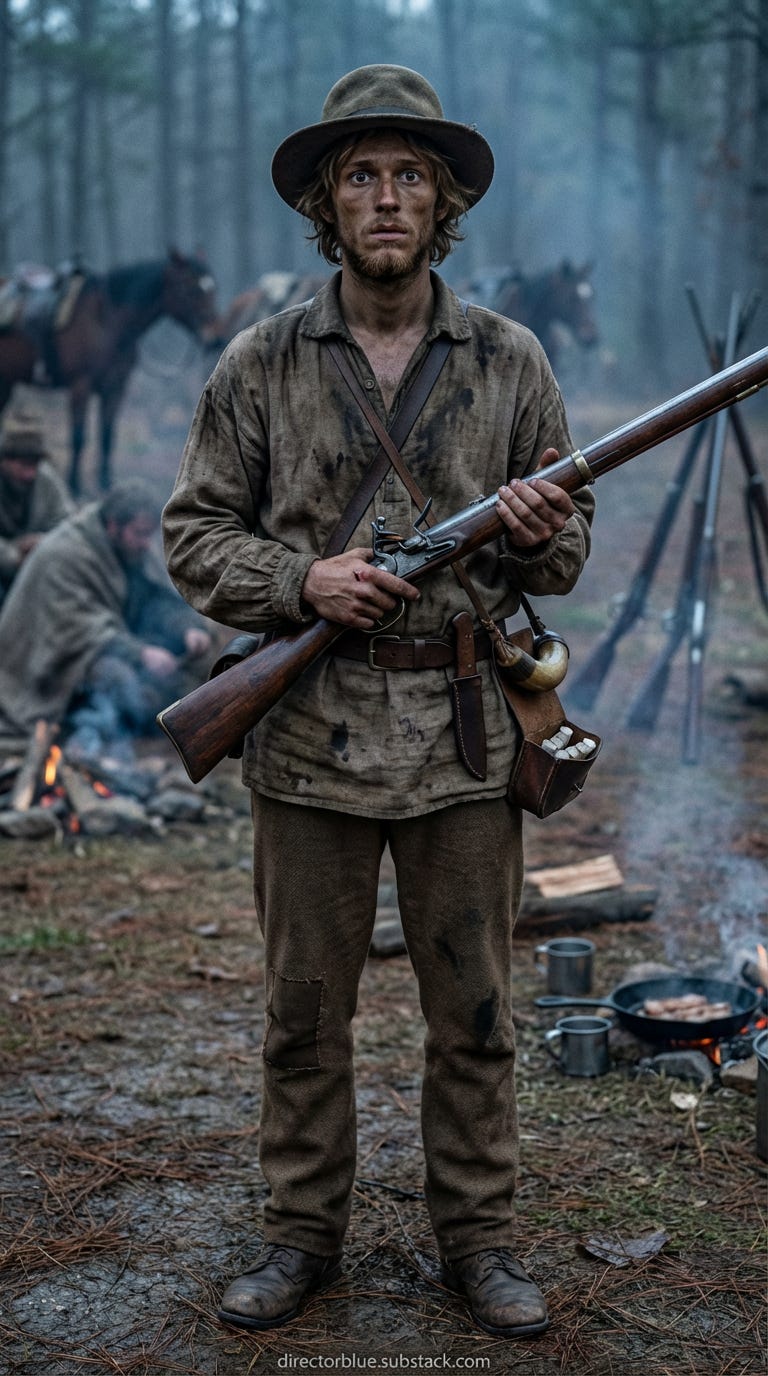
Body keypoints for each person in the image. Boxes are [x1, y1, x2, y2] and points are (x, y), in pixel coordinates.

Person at [162, 64, 594, 1339]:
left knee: (476, 1013)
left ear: (444, 201)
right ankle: (301, 1235)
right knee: (304, 1015)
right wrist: (301, 576)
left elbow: (562, 558)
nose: (388, 197)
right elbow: (194, 537)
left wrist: (529, 529)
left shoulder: (510, 359)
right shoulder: (261, 360)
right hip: (306, 739)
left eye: (411, 174)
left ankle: (480, 1242)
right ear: (328, 207)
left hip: (463, 741)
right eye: (363, 175)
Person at [0, 477, 211, 759]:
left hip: (108, 643)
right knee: (119, 680)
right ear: (113, 525)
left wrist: (187, 628)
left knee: (204, 669)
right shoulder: (64, 553)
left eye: (148, 535)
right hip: (44, 666)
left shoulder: (131, 548)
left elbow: (156, 600)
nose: (144, 544)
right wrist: (141, 654)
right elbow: (76, 629)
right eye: (138, 534)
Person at [0, 411, 73, 608]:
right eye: (23, 466)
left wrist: (41, 542)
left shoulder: (46, 481)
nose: (30, 474)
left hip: (37, 566)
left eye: (34, 465)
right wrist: (14, 555)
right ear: (5, 461)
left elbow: (66, 523)